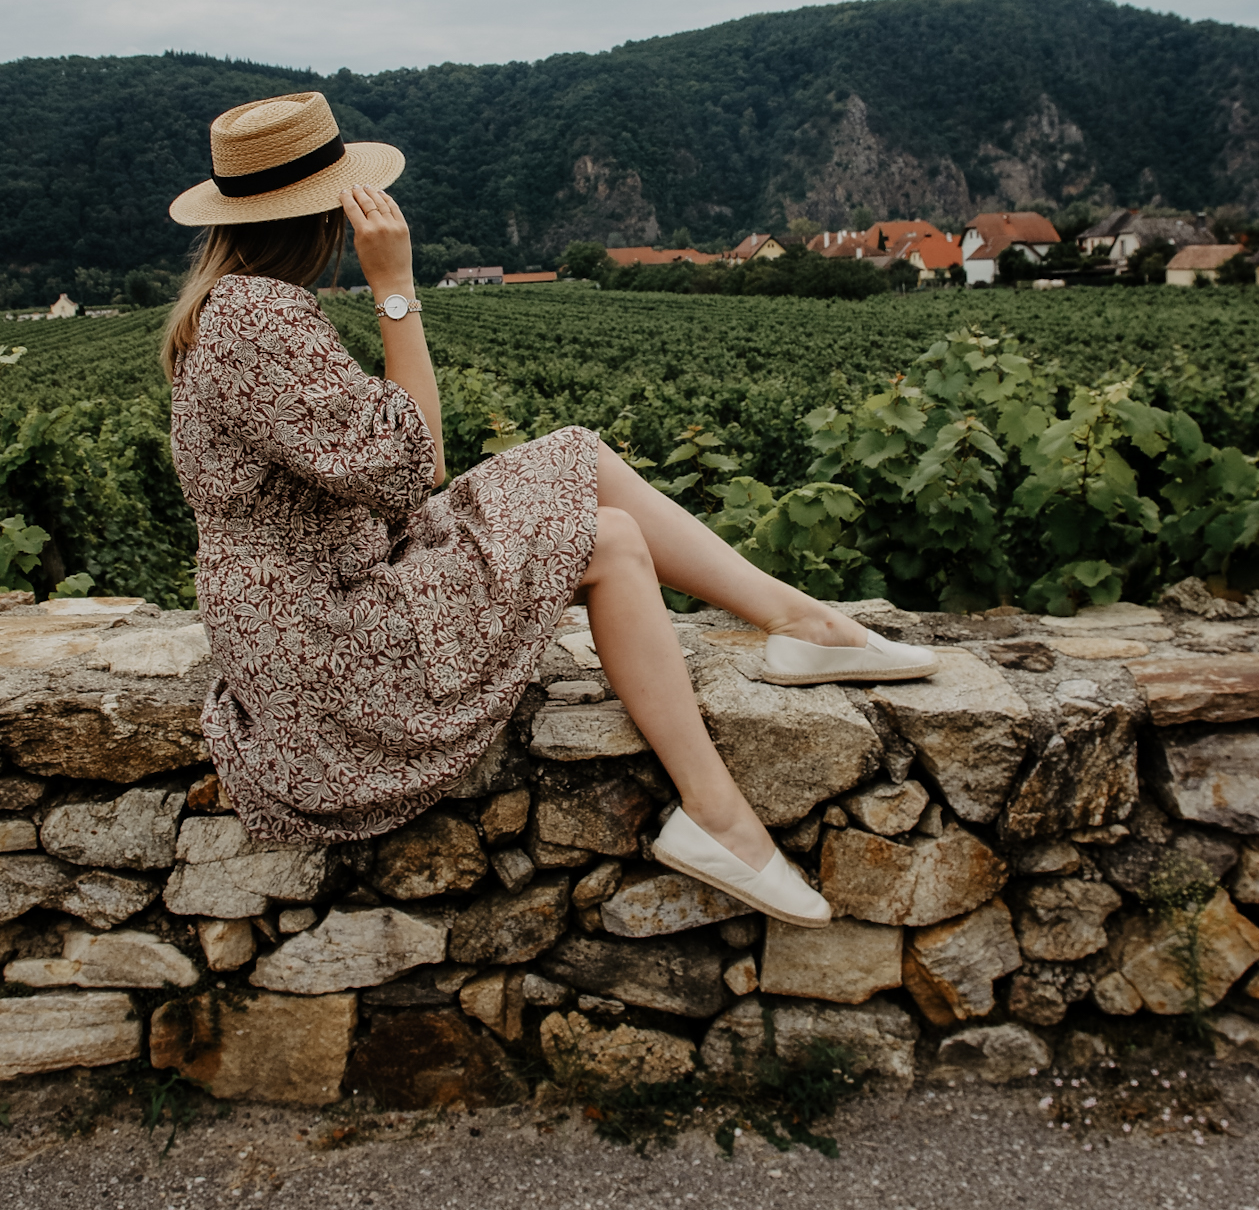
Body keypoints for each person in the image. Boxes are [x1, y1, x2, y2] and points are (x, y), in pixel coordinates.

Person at [165, 92, 935, 930]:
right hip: (331, 654)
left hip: (324, 611)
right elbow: (418, 462)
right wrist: (396, 289)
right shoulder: (259, 315)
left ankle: (799, 627)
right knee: (605, 541)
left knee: (577, 454)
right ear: (330, 212)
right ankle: (719, 812)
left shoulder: (231, 306)